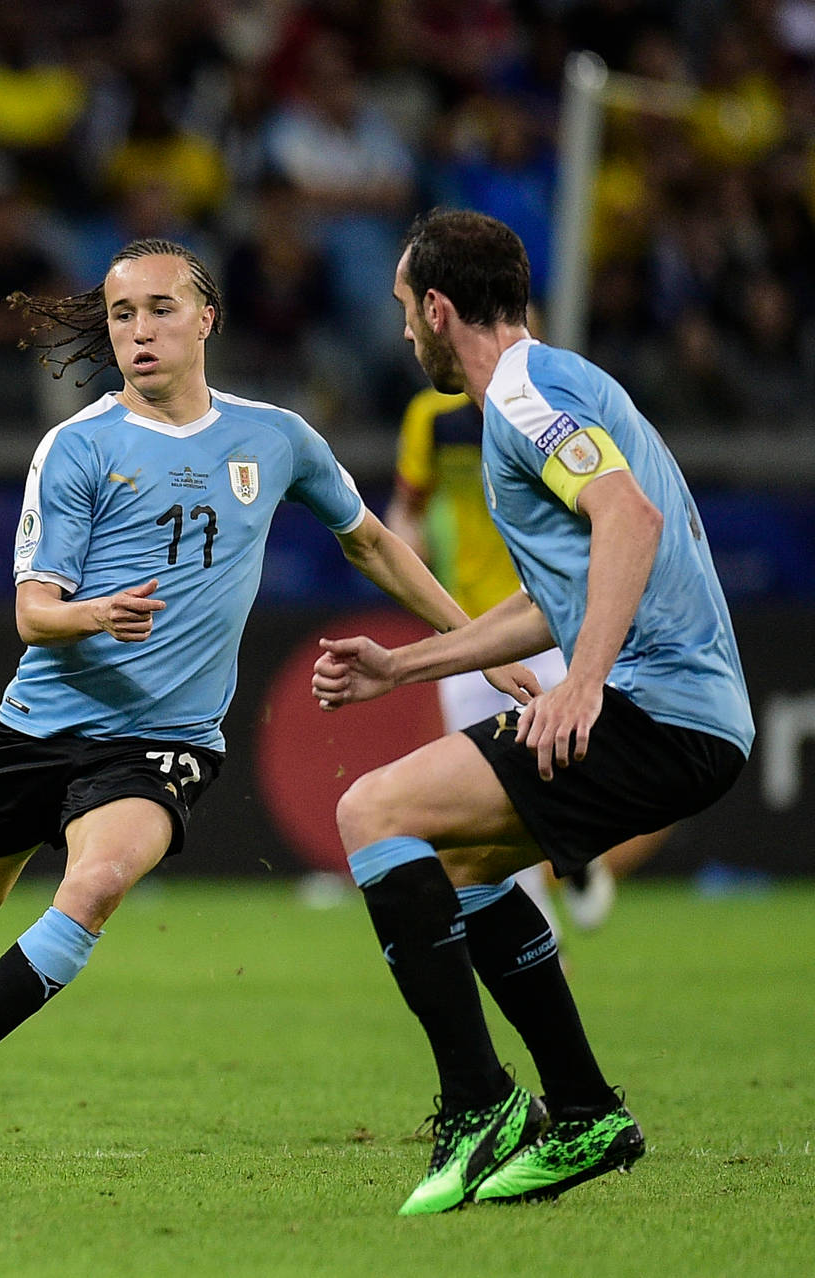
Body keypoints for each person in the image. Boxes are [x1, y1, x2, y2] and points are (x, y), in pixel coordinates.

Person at [0, 237, 536, 1149]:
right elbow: (33, 615)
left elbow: (371, 542)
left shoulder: (274, 438)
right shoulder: (76, 448)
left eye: (160, 309)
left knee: (100, 882)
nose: (140, 331)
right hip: (42, 725)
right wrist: (94, 614)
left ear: (207, 319)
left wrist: (469, 641)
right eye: (123, 315)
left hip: (166, 737)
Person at [313, 209, 751, 1213]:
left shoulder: (519, 394)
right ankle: (586, 1112)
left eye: (402, 310)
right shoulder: (563, 384)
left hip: (658, 707)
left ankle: (478, 1106)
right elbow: (554, 593)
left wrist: (585, 681)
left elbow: (628, 523)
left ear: (436, 306)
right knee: (453, 872)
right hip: (693, 715)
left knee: (373, 815)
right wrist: (405, 666)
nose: (401, 334)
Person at [387, 386, 665, 935]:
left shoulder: (552, 415)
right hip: (468, 632)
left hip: (548, 624)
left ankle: (579, 854)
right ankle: (543, 938)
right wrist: (406, 540)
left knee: (568, 760)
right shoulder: (433, 418)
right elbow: (408, 504)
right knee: (492, 795)